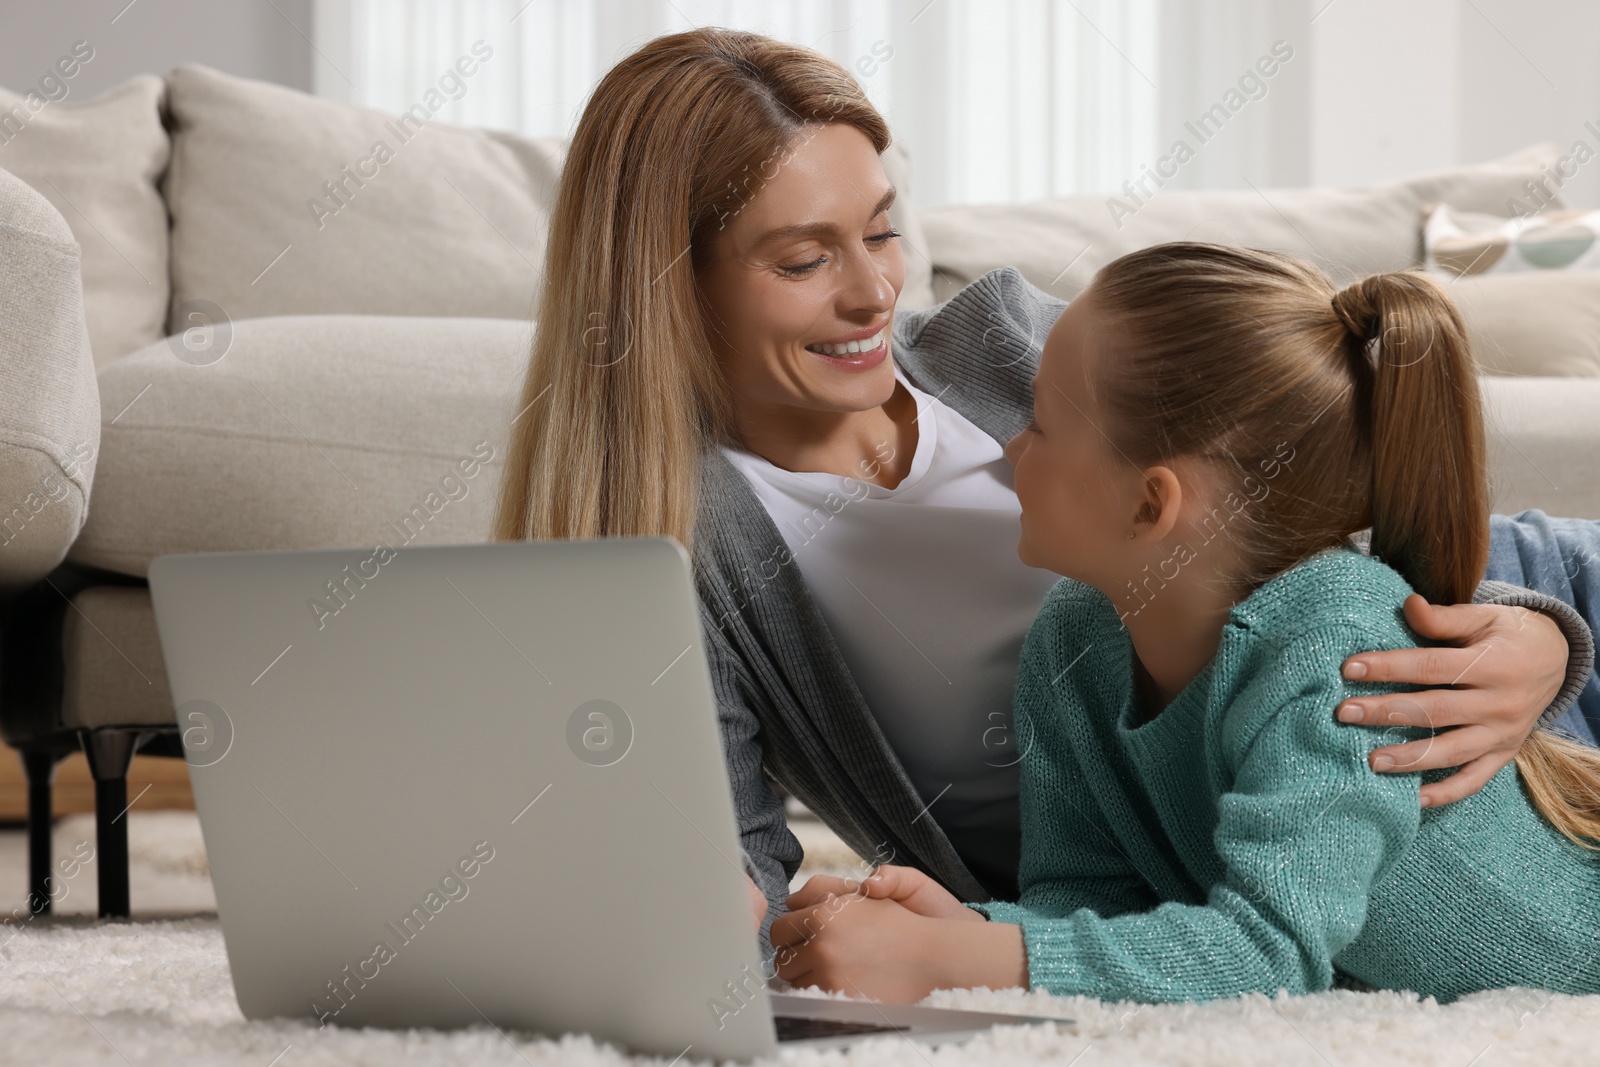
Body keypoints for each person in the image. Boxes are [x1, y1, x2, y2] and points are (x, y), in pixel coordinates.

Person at [490, 27, 1598, 947]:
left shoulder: (1009, 346)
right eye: (802, 260)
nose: (875, 289)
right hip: (1142, 924)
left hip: (1498, 802)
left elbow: (1329, 513)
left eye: (882, 230)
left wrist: (1545, 636)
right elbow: (735, 860)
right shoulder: (674, 542)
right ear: (660, 287)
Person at [771, 244, 1600, 1004]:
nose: (1010, 449)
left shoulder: (1333, 644)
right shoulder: (1072, 640)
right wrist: (968, 932)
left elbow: (1272, 952)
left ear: (1151, 502)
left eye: (1045, 428)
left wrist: (954, 964)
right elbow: (1087, 897)